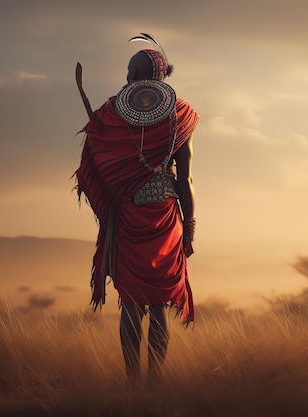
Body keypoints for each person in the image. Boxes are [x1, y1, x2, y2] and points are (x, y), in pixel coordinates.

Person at [74, 35, 199, 383]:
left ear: (136, 74)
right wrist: (189, 226)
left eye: (131, 70)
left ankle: (133, 385)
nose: (128, 77)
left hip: (128, 216)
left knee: (130, 303)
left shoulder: (109, 115)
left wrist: (112, 195)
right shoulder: (180, 115)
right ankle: (154, 384)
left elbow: (95, 165)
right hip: (166, 216)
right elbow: (186, 180)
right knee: (157, 304)